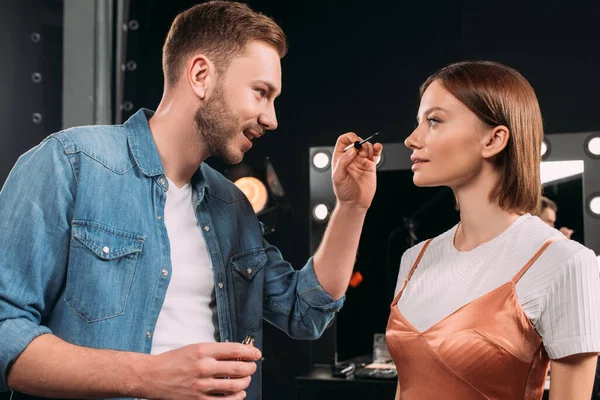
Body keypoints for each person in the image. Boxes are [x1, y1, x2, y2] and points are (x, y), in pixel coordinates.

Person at [0, 2, 382, 400]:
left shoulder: (233, 206)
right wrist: (147, 376)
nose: (272, 119)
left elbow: (305, 312)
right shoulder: (71, 164)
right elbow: (5, 330)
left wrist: (352, 207)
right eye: (260, 93)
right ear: (201, 75)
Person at [386, 61, 600, 399]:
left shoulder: (565, 262)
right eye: (418, 123)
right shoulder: (415, 258)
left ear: (494, 139)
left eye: (434, 121)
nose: (412, 140)